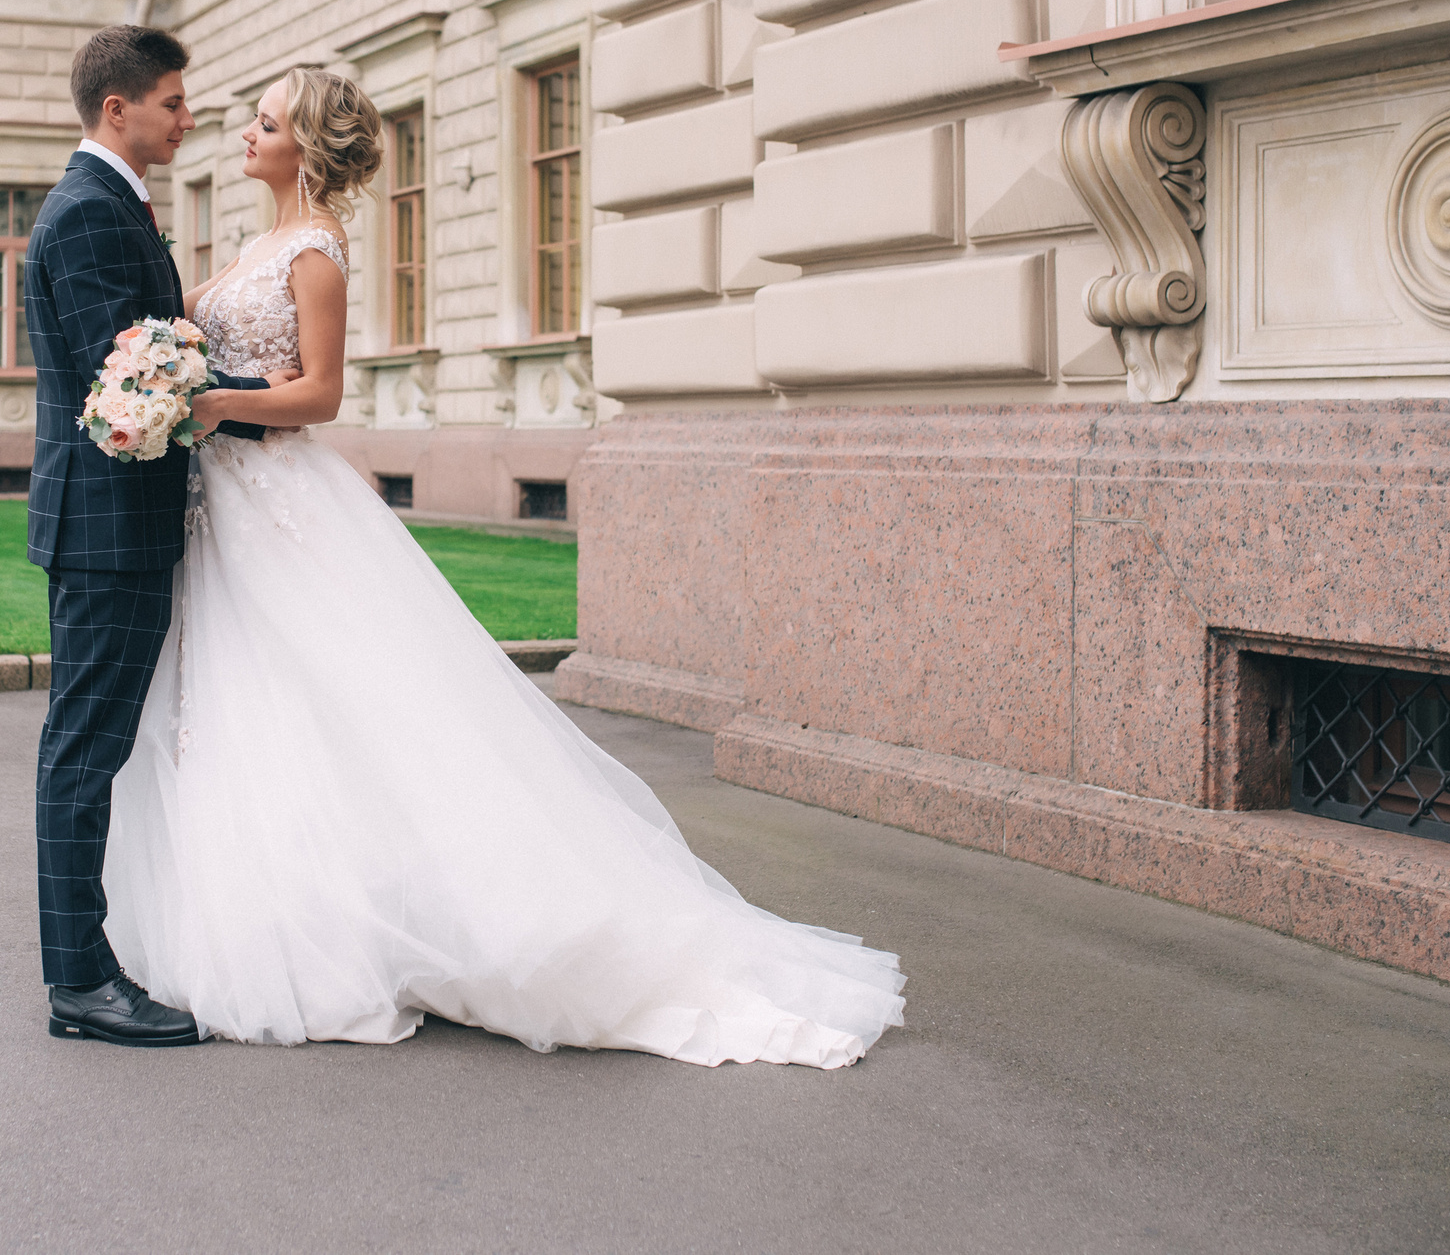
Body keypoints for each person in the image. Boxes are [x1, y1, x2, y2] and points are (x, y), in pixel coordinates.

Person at [101, 65, 908, 1069]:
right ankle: (293, 908)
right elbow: (198, 340)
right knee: (249, 710)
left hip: (279, 502)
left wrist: (212, 402)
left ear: (303, 148)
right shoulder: (253, 245)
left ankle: (408, 926)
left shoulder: (314, 251)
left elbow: (318, 394)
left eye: (261, 124)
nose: (243, 137)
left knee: (328, 703)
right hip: (220, 506)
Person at [23, 24, 286, 1047]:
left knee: (92, 746)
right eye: (174, 102)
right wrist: (275, 403)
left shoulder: (113, 201)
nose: (188, 117)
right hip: (106, 524)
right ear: (117, 108)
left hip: (115, 520)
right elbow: (123, 384)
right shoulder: (88, 213)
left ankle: (93, 962)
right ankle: (80, 981)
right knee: (83, 752)